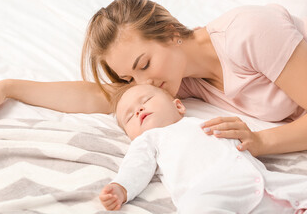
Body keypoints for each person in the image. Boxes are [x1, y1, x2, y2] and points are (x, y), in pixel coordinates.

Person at [0, 0, 307, 157]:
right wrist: (8, 87)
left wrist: (262, 143)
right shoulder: (176, 78)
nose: (141, 84)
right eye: (130, 77)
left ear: (172, 31)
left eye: (143, 64)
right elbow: (97, 96)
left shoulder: (248, 32)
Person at [99, 84, 307, 213]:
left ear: (178, 106)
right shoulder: (149, 139)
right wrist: (122, 187)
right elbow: (136, 166)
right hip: (209, 189)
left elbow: (242, 134)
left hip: (258, 178)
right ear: (130, 135)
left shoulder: (203, 120)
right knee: (194, 208)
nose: (139, 110)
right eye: (129, 116)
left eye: (146, 100)